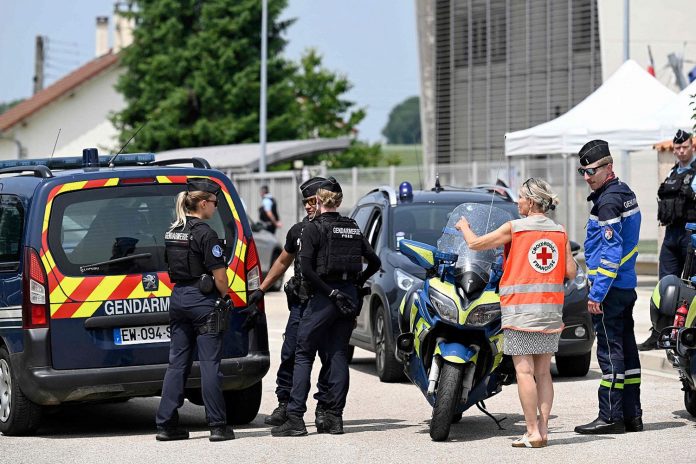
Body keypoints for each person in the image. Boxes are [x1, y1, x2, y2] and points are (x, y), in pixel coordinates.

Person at [455, 178, 576, 448]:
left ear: (531, 202)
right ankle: (543, 431)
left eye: (520, 197)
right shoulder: (560, 232)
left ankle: (531, 430)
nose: (517, 202)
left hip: (521, 312)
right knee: (543, 373)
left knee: (524, 372)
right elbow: (570, 272)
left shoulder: (516, 229)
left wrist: (464, 227)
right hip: (550, 312)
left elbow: (475, 245)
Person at [271, 177, 381, 436]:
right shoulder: (352, 227)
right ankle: (334, 418)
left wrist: (330, 292)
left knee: (303, 354)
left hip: (323, 297)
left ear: (319, 201)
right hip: (348, 299)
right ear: (339, 201)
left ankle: (295, 418)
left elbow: (307, 270)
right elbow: (374, 262)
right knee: (338, 355)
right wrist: (355, 286)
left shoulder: (312, 229)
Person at [246, 177, 332, 430]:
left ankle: (325, 409)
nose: (307, 206)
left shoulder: (334, 229)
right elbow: (283, 261)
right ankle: (286, 405)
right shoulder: (299, 230)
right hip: (302, 303)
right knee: (290, 354)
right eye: (305, 202)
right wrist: (261, 289)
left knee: (329, 357)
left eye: (312, 201)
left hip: (326, 305)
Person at [155, 178, 235, 442]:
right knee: (210, 365)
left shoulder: (172, 231)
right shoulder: (206, 233)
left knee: (177, 363)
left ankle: (166, 425)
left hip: (178, 299)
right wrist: (224, 296)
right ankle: (217, 425)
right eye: (214, 202)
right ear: (203, 203)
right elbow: (220, 278)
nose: (215, 207)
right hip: (202, 301)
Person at [573, 140, 643, 435]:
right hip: (625, 286)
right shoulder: (624, 193)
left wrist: (597, 293)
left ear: (608, 167)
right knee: (627, 350)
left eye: (592, 170)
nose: (587, 177)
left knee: (610, 351)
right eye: (583, 171)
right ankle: (632, 416)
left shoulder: (609, 202)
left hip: (610, 289)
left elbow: (610, 253)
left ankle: (610, 416)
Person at [638, 129, 696, 350]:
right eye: (677, 147)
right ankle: (659, 334)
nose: (681, 151)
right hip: (671, 234)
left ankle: (686, 334)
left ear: (692, 147)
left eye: (685, 147)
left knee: (690, 285)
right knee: (665, 286)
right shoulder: (674, 171)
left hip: (691, 234)